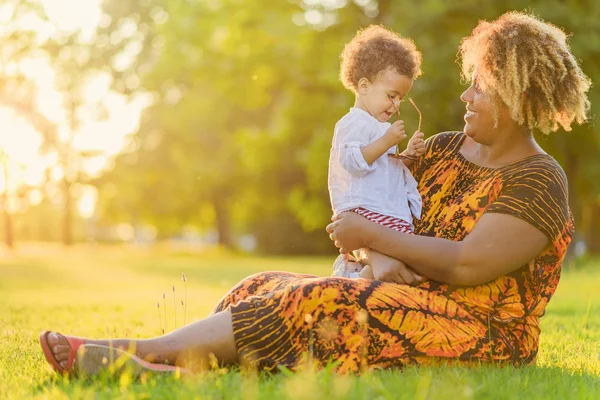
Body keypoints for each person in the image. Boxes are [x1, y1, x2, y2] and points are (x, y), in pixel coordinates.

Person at [40, 11, 591, 377]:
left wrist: (366, 236)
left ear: (518, 98)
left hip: (479, 332)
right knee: (261, 284)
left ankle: (131, 353)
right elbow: (372, 191)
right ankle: (181, 371)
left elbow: (469, 264)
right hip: (399, 293)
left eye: (482, 86)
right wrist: (363, 238)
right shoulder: (445, 149)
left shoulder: (539, 182)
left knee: (320, 301)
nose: (467, 93)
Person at [328, 25, 426, 279]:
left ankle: (360, 277)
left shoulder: (379, 127)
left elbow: (383, 166)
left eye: (401, 98)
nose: (396, 104)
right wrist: (386, 141)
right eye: (392, 96)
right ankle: (355, 275)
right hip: (365, 210)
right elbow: (353, 161)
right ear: (363, 86)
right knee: (390, 257)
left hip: (386, 209)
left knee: (400, 254)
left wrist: (408, 156)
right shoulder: (354, 123)